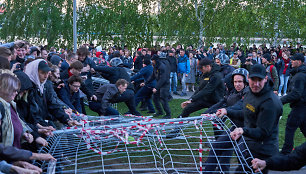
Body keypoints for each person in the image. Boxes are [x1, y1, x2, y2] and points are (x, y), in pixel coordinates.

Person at [217, 64, 283, 174]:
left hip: (263, 152)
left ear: (266, 79)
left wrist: (242, 130)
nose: (256, 84)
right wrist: (227, 111)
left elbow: (263, 132)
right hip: (249, 146)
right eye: (253, 79)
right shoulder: (249, 94)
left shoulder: (270, 103)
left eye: (260, 80)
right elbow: (245, 112)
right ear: (248, 78)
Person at [203, 68, 249, 173]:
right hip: (234, 128)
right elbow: (222, 102)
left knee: (244, 159)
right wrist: (207, 112)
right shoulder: (233, 92)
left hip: (246, 131)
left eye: (240, 82)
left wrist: (226, 111)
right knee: (216, 147)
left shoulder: (248, 93)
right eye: (235, 82)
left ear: (246, 81)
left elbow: (241, 108)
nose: (237, 84)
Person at [24, 59, 78, 129]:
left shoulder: (45, 85)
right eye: (43, 73)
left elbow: (52, 104)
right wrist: (41, 127)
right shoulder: (28, 88)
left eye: (47, 73)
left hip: (45, 123)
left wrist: (67, 119)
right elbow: (32, 114)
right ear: (34, 72)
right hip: (34, 128)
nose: (46, 76)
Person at [280, 53, 306, 155]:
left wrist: (281, 100)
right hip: (302, 106)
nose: (291, 61)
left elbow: (296, 94)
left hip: (299, 107)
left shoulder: (299, 76)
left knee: (290, 127)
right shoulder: (300, 74)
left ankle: (286, 151)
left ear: (299, 62)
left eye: (293, 60)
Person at [146, 53, 171, 118]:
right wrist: (146, 82)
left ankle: (168, 114)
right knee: (154, 98)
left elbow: (163, 79)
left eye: (153, 60)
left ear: (156, 60)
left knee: (163, 99)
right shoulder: (155, 66)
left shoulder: (162, 67)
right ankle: (160, 111)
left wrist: (156, 88)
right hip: (159, 84)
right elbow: (153, 76)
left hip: (165, 84)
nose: (152, 61)